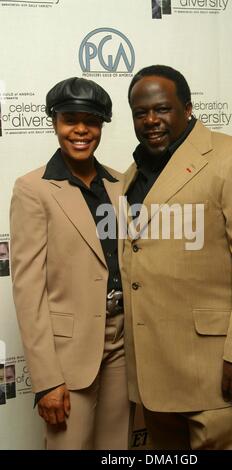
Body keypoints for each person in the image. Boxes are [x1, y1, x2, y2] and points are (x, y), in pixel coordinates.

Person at [121, 65, 232, 450]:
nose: (150, 120)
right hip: (157, 374)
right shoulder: (134, 172)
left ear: (188, 108)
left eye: (162, 109)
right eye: (140, 113)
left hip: (218, 369)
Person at [10, 77, 131, 449]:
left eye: (91, 121)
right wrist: (46, 379)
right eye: (70, 120)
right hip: (68, 356)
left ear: (101, 126)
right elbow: (28, 290)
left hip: (124, 347)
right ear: (54, 122)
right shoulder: (33, 189)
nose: (80, 130)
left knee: (117, 449)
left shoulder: (120, 183)